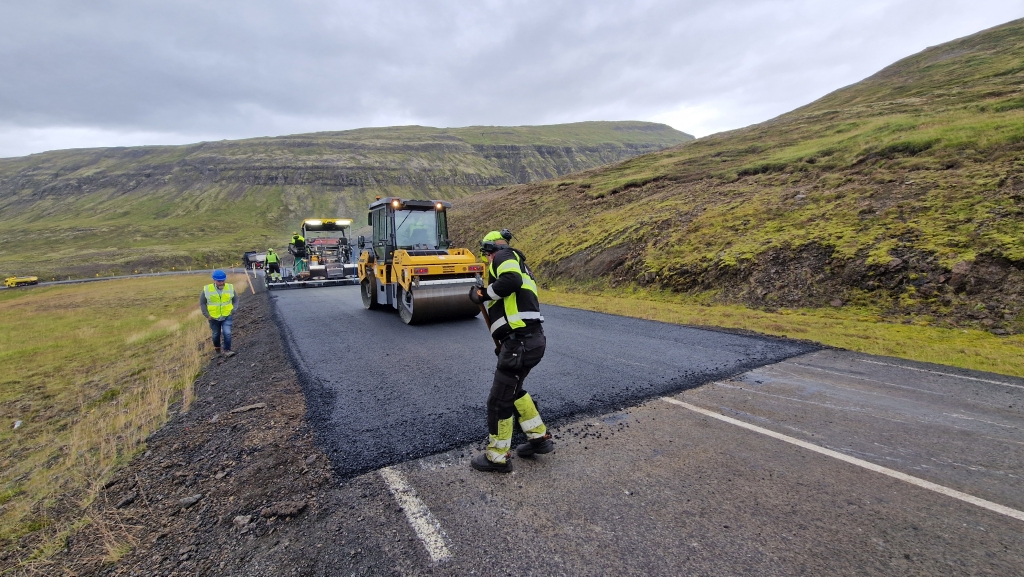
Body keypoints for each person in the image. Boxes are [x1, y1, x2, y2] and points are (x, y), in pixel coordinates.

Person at [467, 230, 552, 473]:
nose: (487, 260)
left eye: (486, 255)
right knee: (514, 391)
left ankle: (497, 457)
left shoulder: (504, 256)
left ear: (489, 250)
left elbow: (510, 282)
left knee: (498, 400)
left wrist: (481, 293)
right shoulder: (520, 264)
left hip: (521, 343)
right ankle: (538, 438)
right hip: (527, 341)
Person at [200, 269, 238, 358]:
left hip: (227, 315)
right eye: (219, 281)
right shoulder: (206, 289)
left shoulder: (230, 287)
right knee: (216, 334)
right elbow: (202, 303)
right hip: (213, 317)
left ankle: (227, 350)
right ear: (214, 280)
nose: (221, 283)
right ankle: (217, 349)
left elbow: (235, 300)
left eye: (223, 281)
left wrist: (233, 310)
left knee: (227, 333)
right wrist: (207, 315)